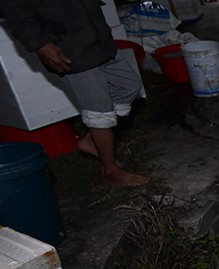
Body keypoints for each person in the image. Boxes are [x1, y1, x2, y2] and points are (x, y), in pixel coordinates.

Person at [1, 0, 149, 187]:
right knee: (100, 113)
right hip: (68, 47)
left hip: (97, 37)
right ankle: (111, 172)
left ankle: (91, 140)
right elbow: (12, 7)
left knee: (129, 85)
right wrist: (40, 44)